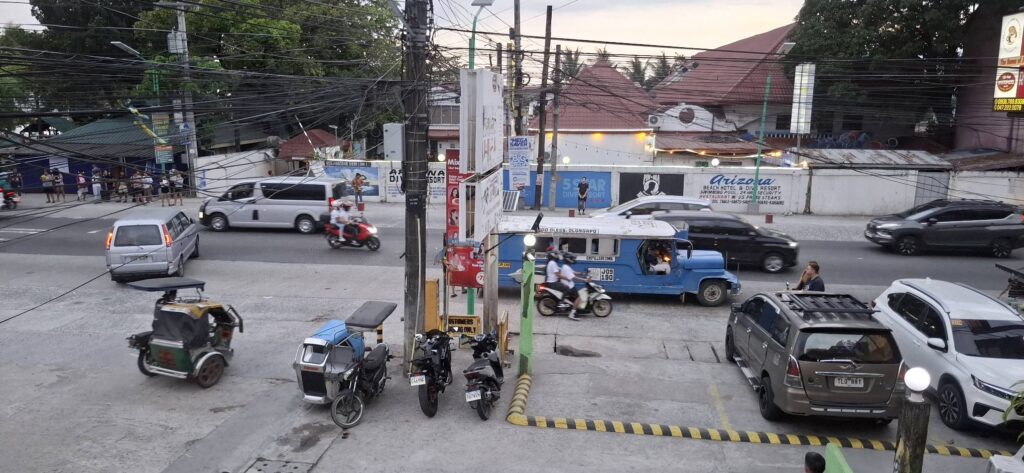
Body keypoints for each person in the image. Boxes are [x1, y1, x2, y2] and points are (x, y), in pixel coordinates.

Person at [559, 253, 590, 321]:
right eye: (572, 258)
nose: (573, 260)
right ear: (568, 259)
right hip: (569, 286)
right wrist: (584, 279)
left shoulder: (566, 266)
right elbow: (573, 277)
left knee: (577, 296)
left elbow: (573, 272)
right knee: (579, 298)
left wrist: (582, 273)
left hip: (570, 285)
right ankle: (572, 314)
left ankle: (574, 308)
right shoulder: (566, 268)